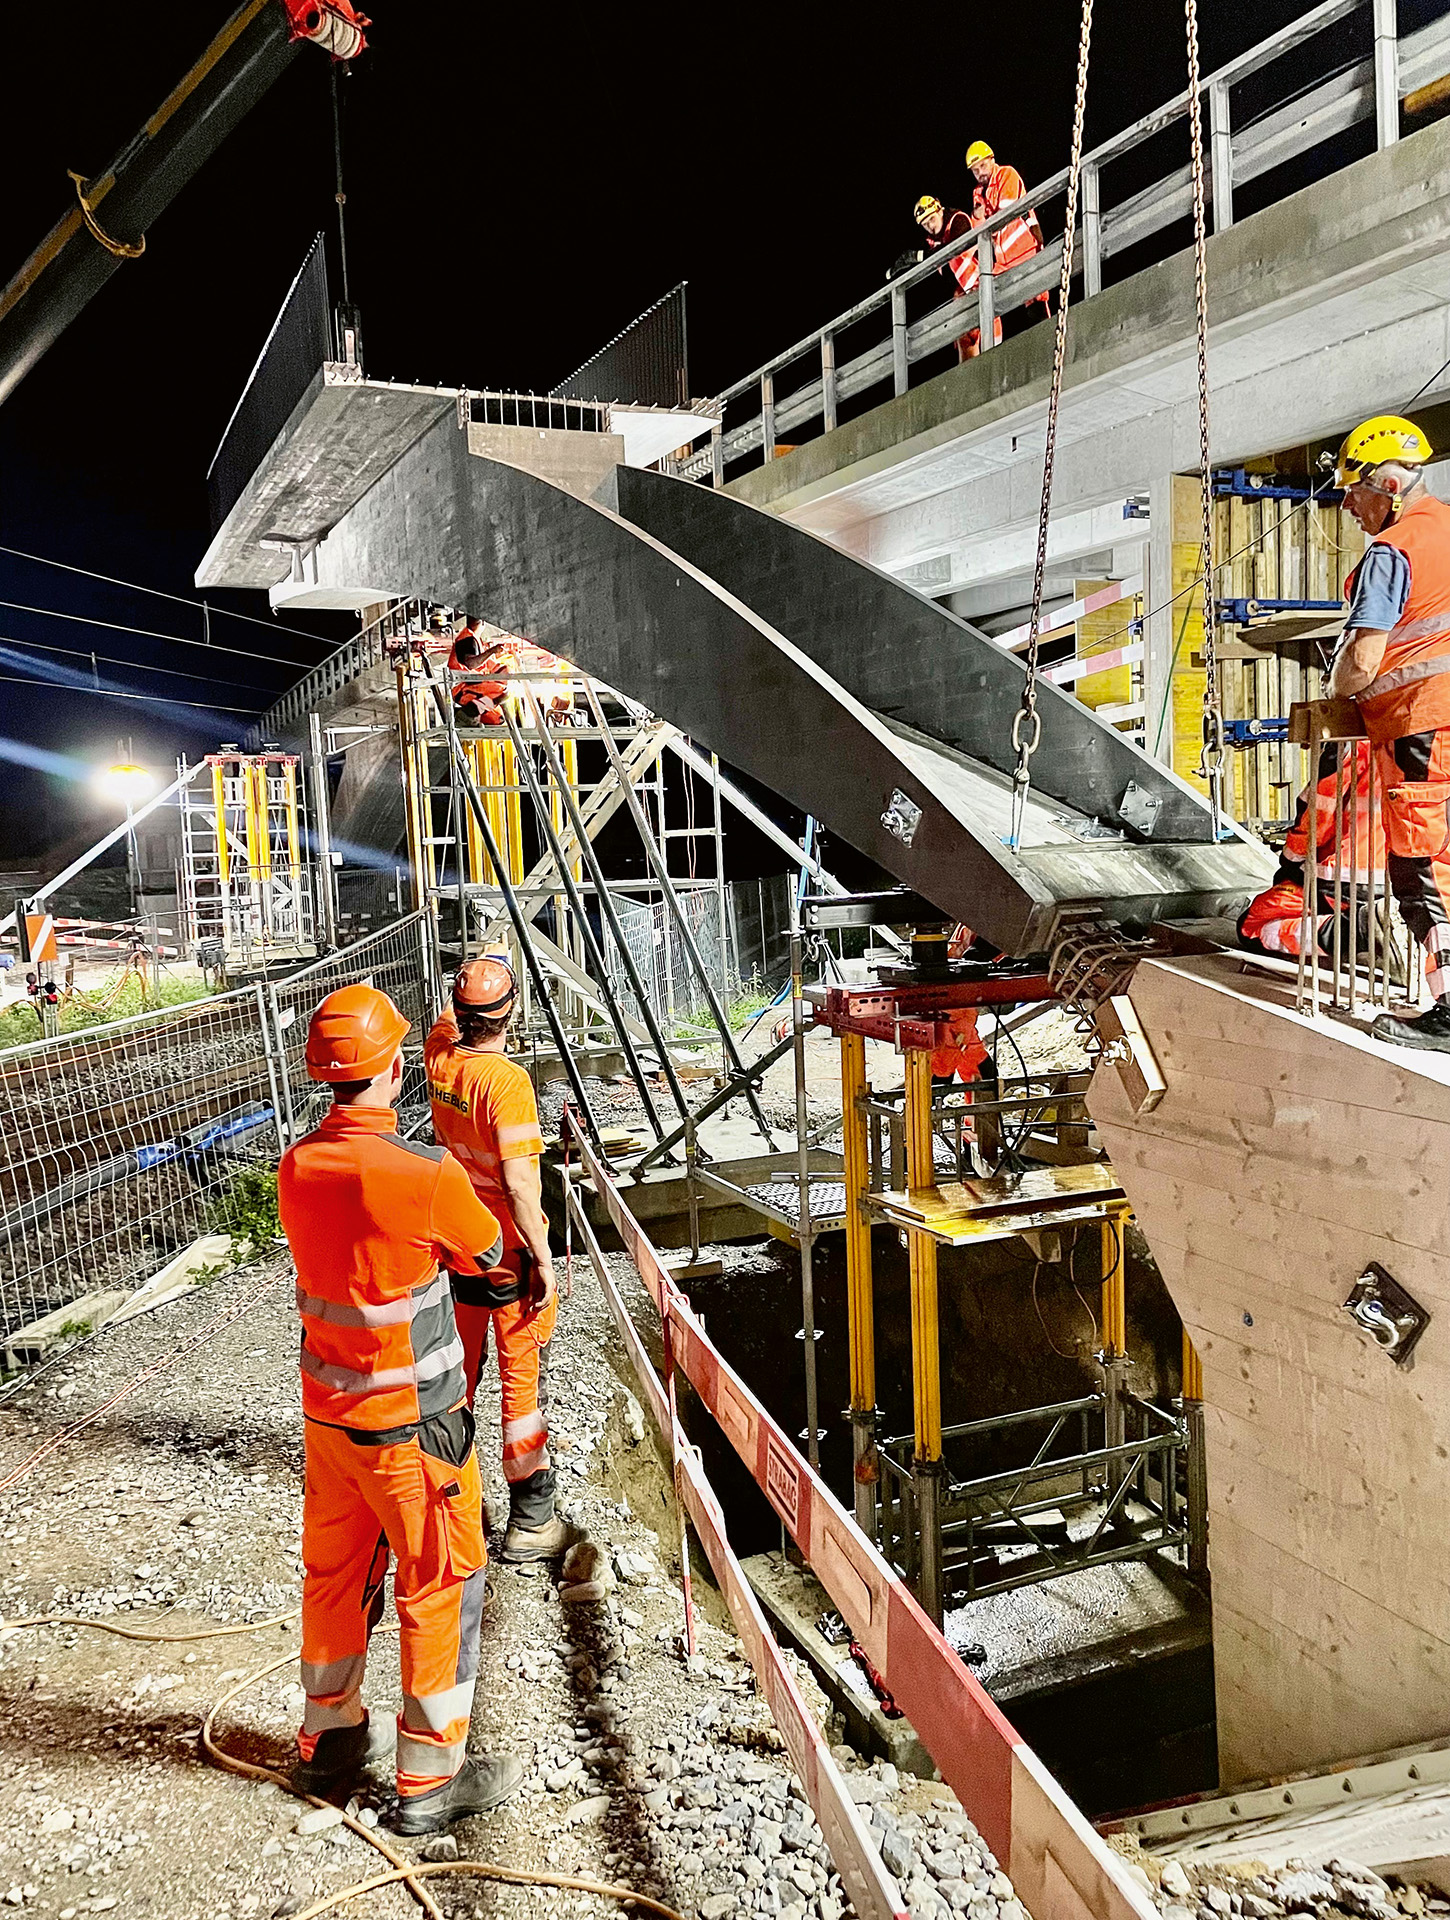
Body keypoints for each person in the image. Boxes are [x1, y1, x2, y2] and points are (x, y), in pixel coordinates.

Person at [279, 983, 525, 1833]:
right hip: (415, 1429)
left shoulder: (297, 1166)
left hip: (328, 1425)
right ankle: (429, 1780)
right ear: (391, 1070)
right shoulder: (424, 1175)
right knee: (439, 1584)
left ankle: (331, 1737)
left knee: (336, 1579)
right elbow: (492, 1256)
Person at [424, 956, 578, 1563]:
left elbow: (441, 1023)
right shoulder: (508, 1085)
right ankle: (531, 1519)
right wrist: (541, 1256)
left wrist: (468, 981)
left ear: (462, 1014)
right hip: (507, 1250)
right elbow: (520, 1184)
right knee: (520, 1388)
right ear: (512, 1012)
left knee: (458, 1373)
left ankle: (454, 1503)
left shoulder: (440, 1060)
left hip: (456, 1245)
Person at [1327, 414, 1450, 1049]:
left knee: (1420, 859)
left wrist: (1334, 688)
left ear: (1392, 484)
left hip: (1420, 723)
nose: (1348, 505)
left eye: (1355, 489)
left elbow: (1362, 662)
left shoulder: (1392, 551)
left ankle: (1448, 1009)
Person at [1237, 740, 1386, 961]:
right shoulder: (1428, 741)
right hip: (1411, 881)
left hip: (1345, 879)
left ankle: (1362, 930)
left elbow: (1317, 817)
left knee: (1251, 926)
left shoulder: (1351, 744)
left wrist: (1289, 864)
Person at [965, 141, 1050, 335]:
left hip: (1025, 249)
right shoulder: (978, 192)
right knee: (984, 293)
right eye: (975, 170)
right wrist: (978, 217)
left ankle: (1047, 340)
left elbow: (1006, 213)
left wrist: (982, 217)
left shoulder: (1007, 174)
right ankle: (993, 344)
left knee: (1035, 302)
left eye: (983, 166)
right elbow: (979, 232)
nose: (980, 173)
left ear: (992, 160)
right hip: (1003, 259)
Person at [912, 195, 1001, 361]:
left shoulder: (957, 220)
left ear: (940, 211)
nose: (930, 226)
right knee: (964, 337)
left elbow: (953, 250)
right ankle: (970, 376)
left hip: (980, 283)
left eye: (932, 219)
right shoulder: (933, 241)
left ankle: (992, 364)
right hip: (962, 292)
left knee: (984, 335)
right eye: (925, 224)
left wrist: (918, 256)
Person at [447, 619, 508, 728]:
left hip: (470, 685)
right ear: (483, 623)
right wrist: (492, 651)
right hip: (462, 688)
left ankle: (471, 714)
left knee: (497, 719)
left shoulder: (474, 639)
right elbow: (471, 664)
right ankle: (466, 715)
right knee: (501, 691)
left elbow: (488, 665)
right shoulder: (468, 639)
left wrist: (501, 667)